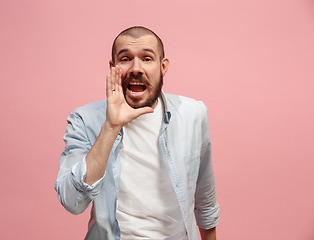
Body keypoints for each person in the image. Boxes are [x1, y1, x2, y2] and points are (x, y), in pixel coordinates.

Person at [54, 26, 220, 240]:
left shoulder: (193, 114)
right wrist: (110, 127)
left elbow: (205, 198)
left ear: (163, 66)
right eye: (125, 59)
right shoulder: (84, 120)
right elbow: (71, 201)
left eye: (147, 58)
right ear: (113, 67)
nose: (136, 68)